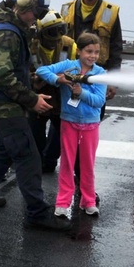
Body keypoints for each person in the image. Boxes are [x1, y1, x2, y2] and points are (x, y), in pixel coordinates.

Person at [0, 0, 69, 232]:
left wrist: (30, 80)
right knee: (28, 156)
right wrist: (31, 98)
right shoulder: (8, 34)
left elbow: (7, 71)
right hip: (3, 106)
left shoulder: (7, 27)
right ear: (23, 5)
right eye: (35, 13)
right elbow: (2, 76)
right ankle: (37, 212)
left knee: (3, 150)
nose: (36, 19)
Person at [36, 32, 106, 217]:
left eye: (96, 52)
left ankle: (88, 201)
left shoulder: (100, 73)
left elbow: (99, 101)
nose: (92, 56)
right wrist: (59, 79)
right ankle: (62, 203)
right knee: (66, 163)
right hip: (69, 122)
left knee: (88, 165)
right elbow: (41, 71)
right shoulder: (69, 66)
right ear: (79, 51)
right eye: (89, 51)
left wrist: (81, 92)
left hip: (91, 125)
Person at [61, 0, 122, 111]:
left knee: (94, 115)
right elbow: (59, 43)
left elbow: (116, 48)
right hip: (70, 71)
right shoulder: (66, 9)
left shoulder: (110, 12)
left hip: (97, 72)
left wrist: (113, 81)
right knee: (64, 116)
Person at [28, 10, 78, 172]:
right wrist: (32, 79)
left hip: (61, 98)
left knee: (63, 135)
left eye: (60, 30)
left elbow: (78, 69)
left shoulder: (70, 45)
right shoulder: (30, 46)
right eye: (52, 32)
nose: (57, 36)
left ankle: (50, 161)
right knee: (35, 135)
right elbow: (21, 71)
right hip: (37, 97)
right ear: (41, 33)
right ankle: (36, 162)